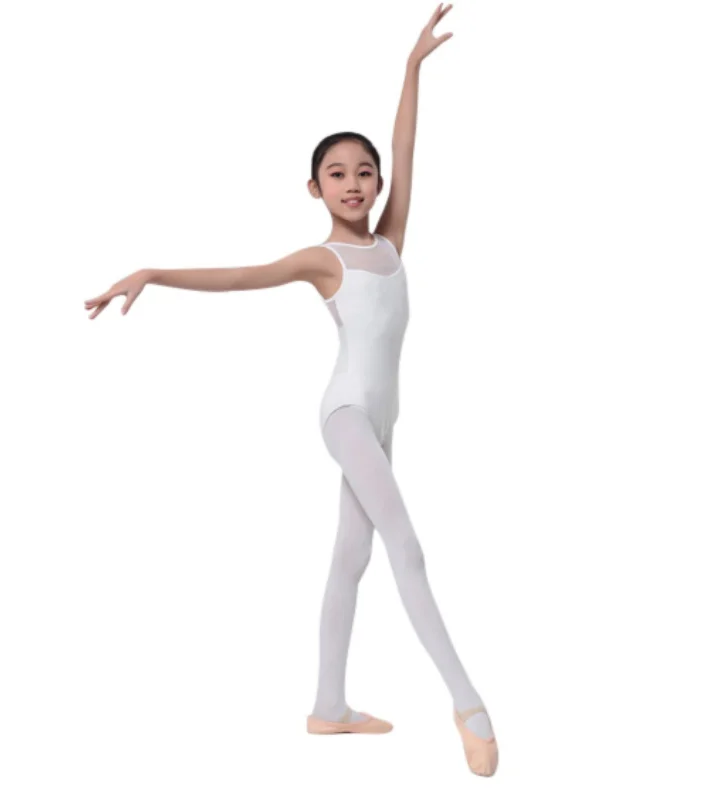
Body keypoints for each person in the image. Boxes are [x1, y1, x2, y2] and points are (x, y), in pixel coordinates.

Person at [84, 3, 497, 778]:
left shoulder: (392, 242)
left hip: (384, 422)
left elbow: (407, 147)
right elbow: (241, 276)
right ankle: (469, 704)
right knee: (406, 546)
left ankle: (328, 708)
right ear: (314, 187)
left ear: (378, 183)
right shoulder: (322, 260)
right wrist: (153, 272)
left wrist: (411, 67)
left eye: (364, 172)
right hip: (346, 414)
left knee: (351, 557)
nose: (355, 182)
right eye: (337, 173)